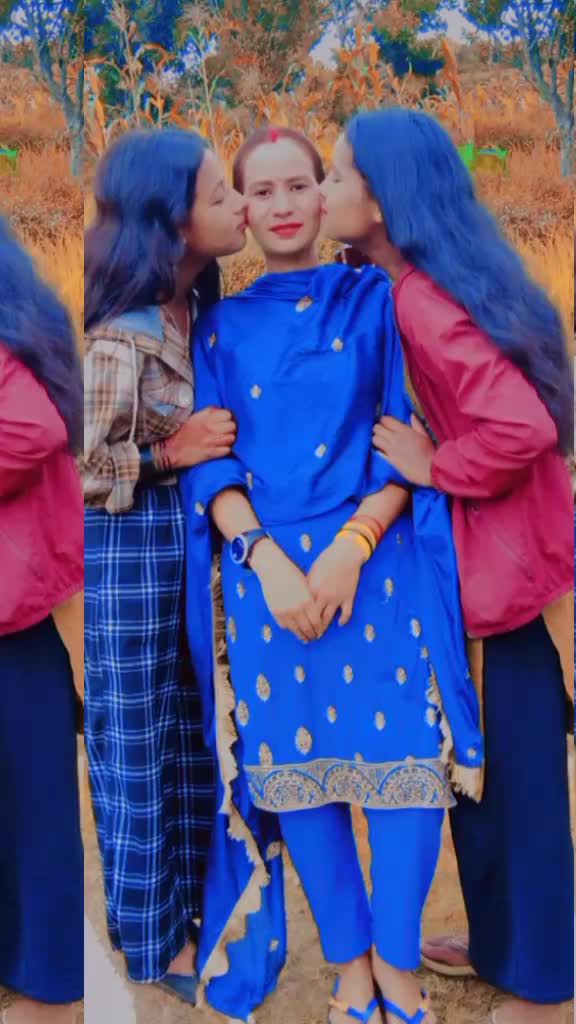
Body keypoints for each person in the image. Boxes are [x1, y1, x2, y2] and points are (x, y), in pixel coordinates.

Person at [181, 126, 484, 1024]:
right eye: (260, 191)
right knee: (299, 771)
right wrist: (266, 560)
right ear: (242, 209)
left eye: (298, 185)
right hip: (268, 582)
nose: (281, 205)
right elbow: (211, 468)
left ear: (326, 195)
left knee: (405, 768)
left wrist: (352, 546)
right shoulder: (220, 327)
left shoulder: (379, 302)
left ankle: (396, 961)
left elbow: (404, 441)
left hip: (379, 569)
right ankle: (350, 965)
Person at [320, 107, 574, 1024]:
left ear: (384, 200)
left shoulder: (424, 302)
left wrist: (437, 466)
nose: (324, 192)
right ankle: (507, 945)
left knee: (518, 788)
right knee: (489, 776)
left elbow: (523, 428)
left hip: (507, 580)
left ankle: (546, 990)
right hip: (510, 567)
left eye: (338, 176)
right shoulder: (427, 280)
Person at [83, 128, 247, 1002]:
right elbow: (80, 469)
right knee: (137, 746)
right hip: (127, 561)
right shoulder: (121, 340)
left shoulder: (196, 314)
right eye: (221, 196)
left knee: (188, 733)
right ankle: (155, 944)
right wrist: (168, 455)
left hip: (181, 556)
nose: (241, 207)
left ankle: (193, 911)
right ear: (171, 223)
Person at [0, 218, 83, 1024]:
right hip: (23, 615)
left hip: (16, 621)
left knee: (34, 811)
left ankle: (53, 993)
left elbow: (33, 430)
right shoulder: (22, 319)